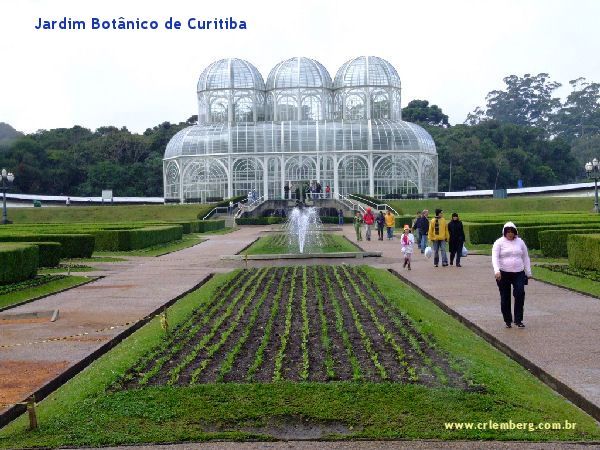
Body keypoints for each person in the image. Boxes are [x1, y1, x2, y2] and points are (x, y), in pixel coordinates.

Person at [492, 222, 532, 329]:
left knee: (519, 293)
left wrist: (528, 272)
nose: (510, 234)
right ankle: (508, 320)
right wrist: (497, 271)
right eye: (508, 232)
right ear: (504, 232)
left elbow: (525, 257)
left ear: (515, 232)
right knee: (505, 297)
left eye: (512, 232)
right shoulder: (499, 242)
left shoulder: (520, 242)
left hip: (518, 272)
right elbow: (494, 258)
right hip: (503, 273)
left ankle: (518, 320)